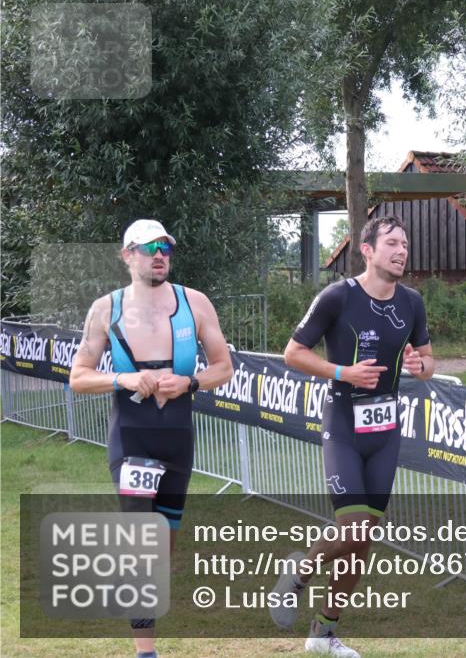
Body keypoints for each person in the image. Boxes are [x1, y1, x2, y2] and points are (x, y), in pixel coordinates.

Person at [270, 215, 434, 658]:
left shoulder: (412, 302)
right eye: (393, 243)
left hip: (386, 431)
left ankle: (323, 633)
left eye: (406, 244)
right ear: (367, 250)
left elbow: (427, 358)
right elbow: (293, 353)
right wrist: (343, 372)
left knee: (362, 539)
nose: (402, 251)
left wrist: (422, 367)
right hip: (343, 425)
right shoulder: (337, 296)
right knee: (353, 527)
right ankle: (298, 572)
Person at [70, 219, 234, 658]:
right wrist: (125, 378)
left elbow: (224, 367)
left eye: (165, 246)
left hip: (178, 437)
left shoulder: (194, 303)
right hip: (132, 438)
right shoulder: (106, 309)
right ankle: (146, 651)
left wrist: (191, 383)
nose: (159, 254)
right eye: (148, 248)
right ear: (127, 255)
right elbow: (79, 378)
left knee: (163, 543)